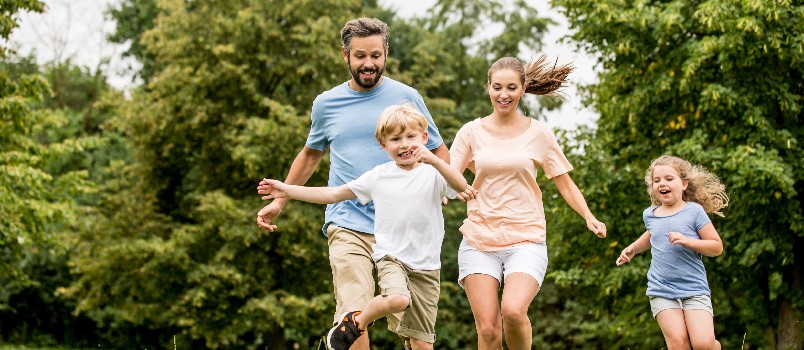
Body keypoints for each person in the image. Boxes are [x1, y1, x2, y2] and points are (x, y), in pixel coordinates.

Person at [255, 18, 450, 350]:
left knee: (418, 333)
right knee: (354, 315)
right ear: (345, 55)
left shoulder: (406, 97)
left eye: (376, 55)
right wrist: (280, 200)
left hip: (404, 229)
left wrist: (442, 188)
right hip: (347, 222)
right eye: (360, 56)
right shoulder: (327, 104)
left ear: (386, 52)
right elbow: (310, 155)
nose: (369, 64)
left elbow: (438, 149)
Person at [258, 104, 474, 350]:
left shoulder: (433, 173)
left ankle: (359, 322)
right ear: (383, 145)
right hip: (392, 256)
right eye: (395, 139)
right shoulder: (378, 176)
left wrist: (434, 160)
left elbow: (460, 186)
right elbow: (333, 194)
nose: (404, 144)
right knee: (398, 299)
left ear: (424, 138)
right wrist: (287, 190)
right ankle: (356, 322)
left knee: (422, 344)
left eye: (411, 137)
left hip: (427, 266)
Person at [448, 55, 608, 350]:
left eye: (511, 88)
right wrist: (451, 190)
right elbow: (450, 176)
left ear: (522, 89)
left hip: (526, 238)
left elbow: (564, 182)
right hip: (479, 238)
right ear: (488, 88)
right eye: (497, 87)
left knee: (512, 310)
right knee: (487, 330)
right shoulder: (470, 132)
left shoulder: (539, 134)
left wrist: (589, 216)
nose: (503, 95)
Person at [616, 155, 728, 350]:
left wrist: (688, 241)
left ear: (684, 184)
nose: (662, 184)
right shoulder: (650, 214)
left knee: (703, 344)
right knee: (678, 344)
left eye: (669, 179)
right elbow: (652, 235)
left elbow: (716, 247)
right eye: (656, 180)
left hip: (694, 288)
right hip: (661, 288)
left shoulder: (694, 212)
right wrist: (633, 248)